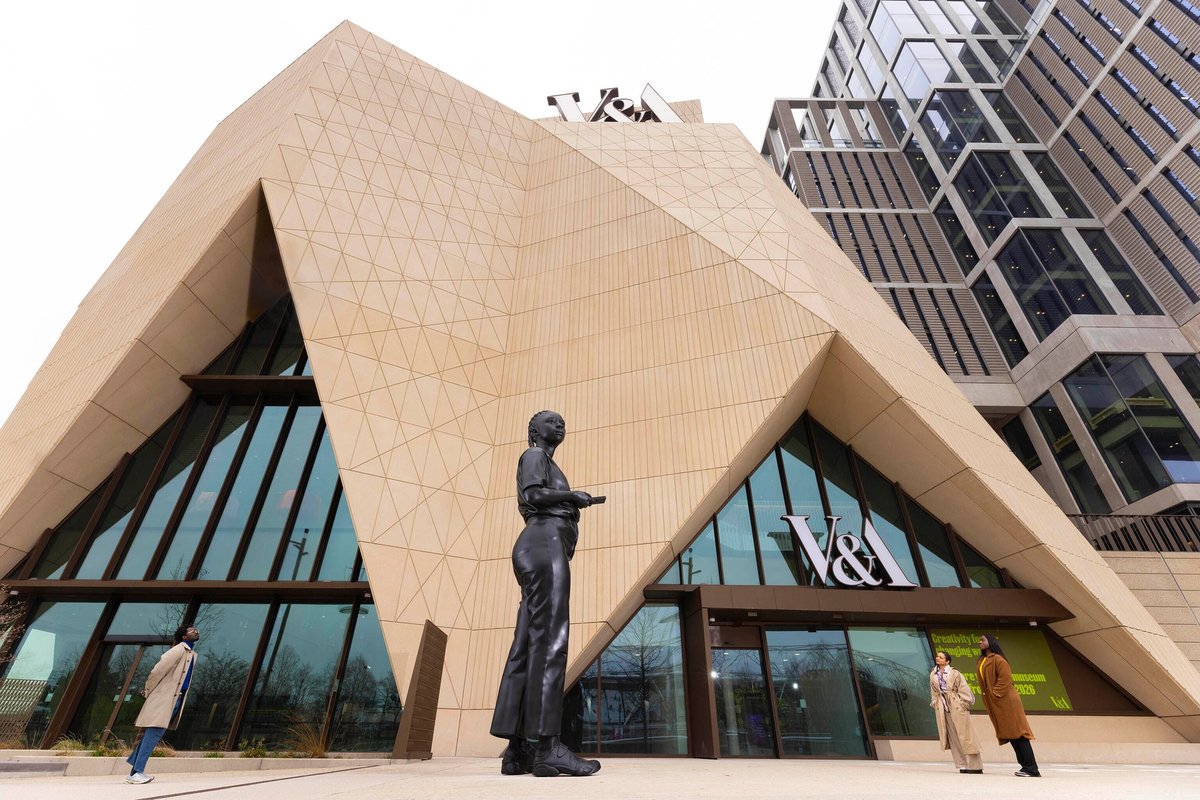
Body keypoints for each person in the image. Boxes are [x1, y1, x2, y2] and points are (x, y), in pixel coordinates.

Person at [490, 411, 601, 777]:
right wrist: (574, 496)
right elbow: (533, 494)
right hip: (544, 543)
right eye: (552, 421)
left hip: (539, 546)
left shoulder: (545, 460)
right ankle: (548, 747)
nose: (561, 425)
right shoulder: (535, 455)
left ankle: (517, 750)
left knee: (528, 644)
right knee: (551, 642)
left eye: (563, 422)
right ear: (534, 430)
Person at [125, 624, 199, 785]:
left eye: (196, 629)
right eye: (191, 630)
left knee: (153, 733)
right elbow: (158, 670)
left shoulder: (192, 654)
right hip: (164, 699)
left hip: (176, 699)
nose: (196, 631)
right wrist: (148, 690)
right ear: (184, 636)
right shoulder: (179, 649)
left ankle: (134, 770)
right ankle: (137, 772)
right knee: (155, 733)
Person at [977, 633, 1040, 777]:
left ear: (991, 642)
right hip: (998, 703)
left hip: (1007, 701)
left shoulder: (998, 659)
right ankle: (1025, 767)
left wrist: (995, 694)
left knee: (1019, 734)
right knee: (1012, 735)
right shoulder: (982, 660)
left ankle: (1032, 768)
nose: (979, 642)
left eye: (983, 640)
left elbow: (1005, 679)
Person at [929, 650, 982, 774]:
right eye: (937, 656)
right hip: (943, 707)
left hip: (956, 705)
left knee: (966, 736)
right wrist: (935, 702)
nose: (938, 658)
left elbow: (963, 688)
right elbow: (933, 691)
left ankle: (975, 766)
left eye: (941, 657)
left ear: (947, 661)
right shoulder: (933, 673)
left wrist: (964, 703)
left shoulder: (954, 673)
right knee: (953, 736)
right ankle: (962, 764)